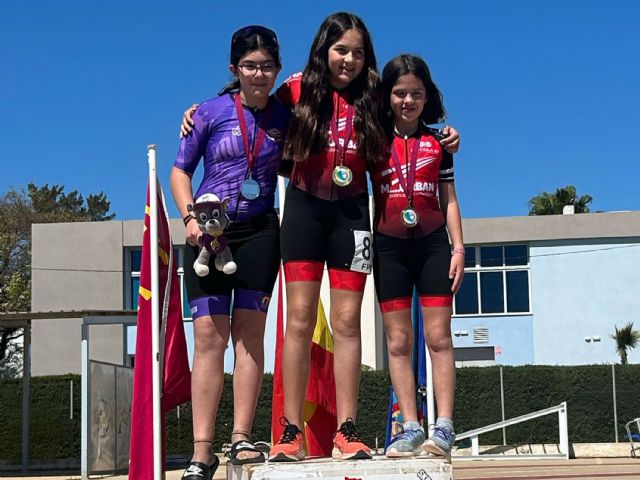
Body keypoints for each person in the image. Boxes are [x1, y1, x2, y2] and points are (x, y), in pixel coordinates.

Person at [180, 13, 461, 464]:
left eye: (357, 52)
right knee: (298, 320)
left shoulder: (375, 93)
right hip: (304, 213)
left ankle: (347, 430)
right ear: (323, 50)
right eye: (340, 50)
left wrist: (446, 135)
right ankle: (290, 431)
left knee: (348, 323)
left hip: (352, 215)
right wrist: (198, 112)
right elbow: (253, 102)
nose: (348, 59)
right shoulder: (296, 89)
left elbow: (411, 116)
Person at [170, 25, 290, 479]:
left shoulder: (285, 116)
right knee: (208, 337)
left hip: (260, 232)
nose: (259, 74)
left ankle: (241, 437)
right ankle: (202, 451)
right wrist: (189, 219)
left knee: (249, 334)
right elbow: (180, 172)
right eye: (250, 66)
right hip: (208, 232)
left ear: (277, 69)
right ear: (234, 69)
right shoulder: (208, 112)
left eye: (267, 66)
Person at [370, 53, 463, 459]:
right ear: (387, 96)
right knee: (398, 341)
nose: (407, 101)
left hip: (432, 245)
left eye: (416, 94)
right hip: (388, 247)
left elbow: (449, 199)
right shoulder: (372, 141)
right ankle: (410, 425)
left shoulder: (440, 142)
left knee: (438, 337)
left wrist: (459, 248)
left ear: (428, 96)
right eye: (399, 93)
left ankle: (444, 426)